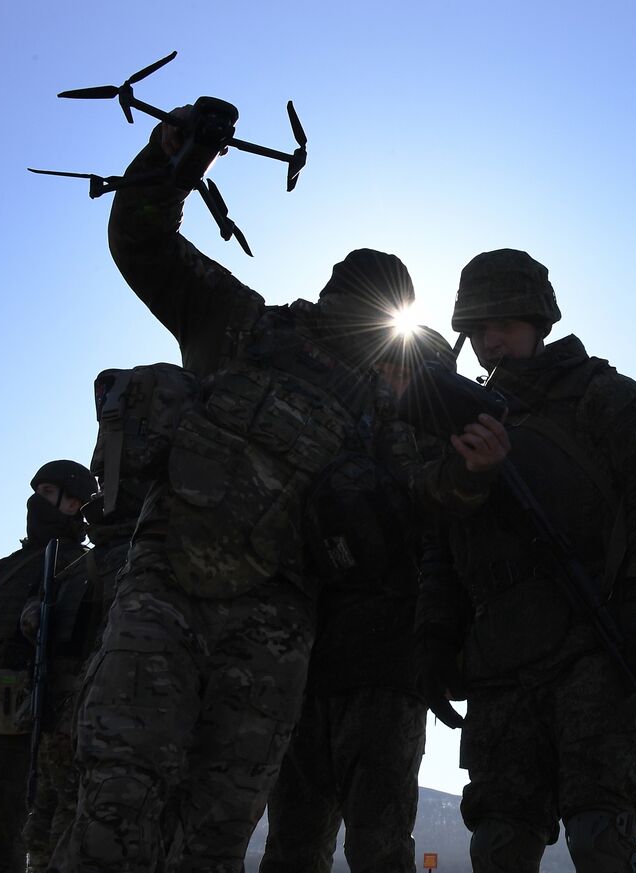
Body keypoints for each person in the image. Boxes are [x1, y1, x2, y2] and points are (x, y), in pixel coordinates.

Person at [52, 106, 418, 873]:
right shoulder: (247, 328)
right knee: (115, 809)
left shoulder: (389, 413)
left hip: (277, 631)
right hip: (167, 590)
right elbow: (143, 243)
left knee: (214, 836)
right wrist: (174, 162)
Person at [413, 248, 636, 873]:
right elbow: (441, 543)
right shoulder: (464, 424)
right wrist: (434, 636)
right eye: (476, 330)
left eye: (502, 323)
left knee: (601, 836)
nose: (489, 341)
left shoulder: (601, 396)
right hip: (501, 660)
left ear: (538, 320)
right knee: (500, 846)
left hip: (597, 642)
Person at [260, 329, 454, 873]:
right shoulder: (338, 435)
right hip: (309, 669)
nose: (391, 381)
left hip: (388, 672)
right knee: (292, 846)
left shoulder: (441, 453)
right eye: (385, 368)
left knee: (379, 845)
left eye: (407, 371)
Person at [23, 477, 151, 872]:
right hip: (54, 716)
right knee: (40, 831)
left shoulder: (120, 561)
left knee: (68, 826)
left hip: (85, 718)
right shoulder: (78, 566)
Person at [0, 460, 94, 873]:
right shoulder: (10, 565)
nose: (36, 501)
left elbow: (69, 652)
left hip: (15, 717)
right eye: (38, 491)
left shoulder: (76, 565)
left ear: (73, 504)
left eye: (48, 494)